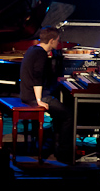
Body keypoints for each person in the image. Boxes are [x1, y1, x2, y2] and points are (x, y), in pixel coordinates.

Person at [19, 25, 73, 162]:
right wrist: (39, 100)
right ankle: (63, 154)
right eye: (57, 40)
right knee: (68, 116)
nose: (58, 43)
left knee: (58, 113)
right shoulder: (41, 54)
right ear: (51, 41)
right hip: (33, 97)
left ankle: (52, 145)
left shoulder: (33, 49)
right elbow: (37, 77)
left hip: (27, 94)